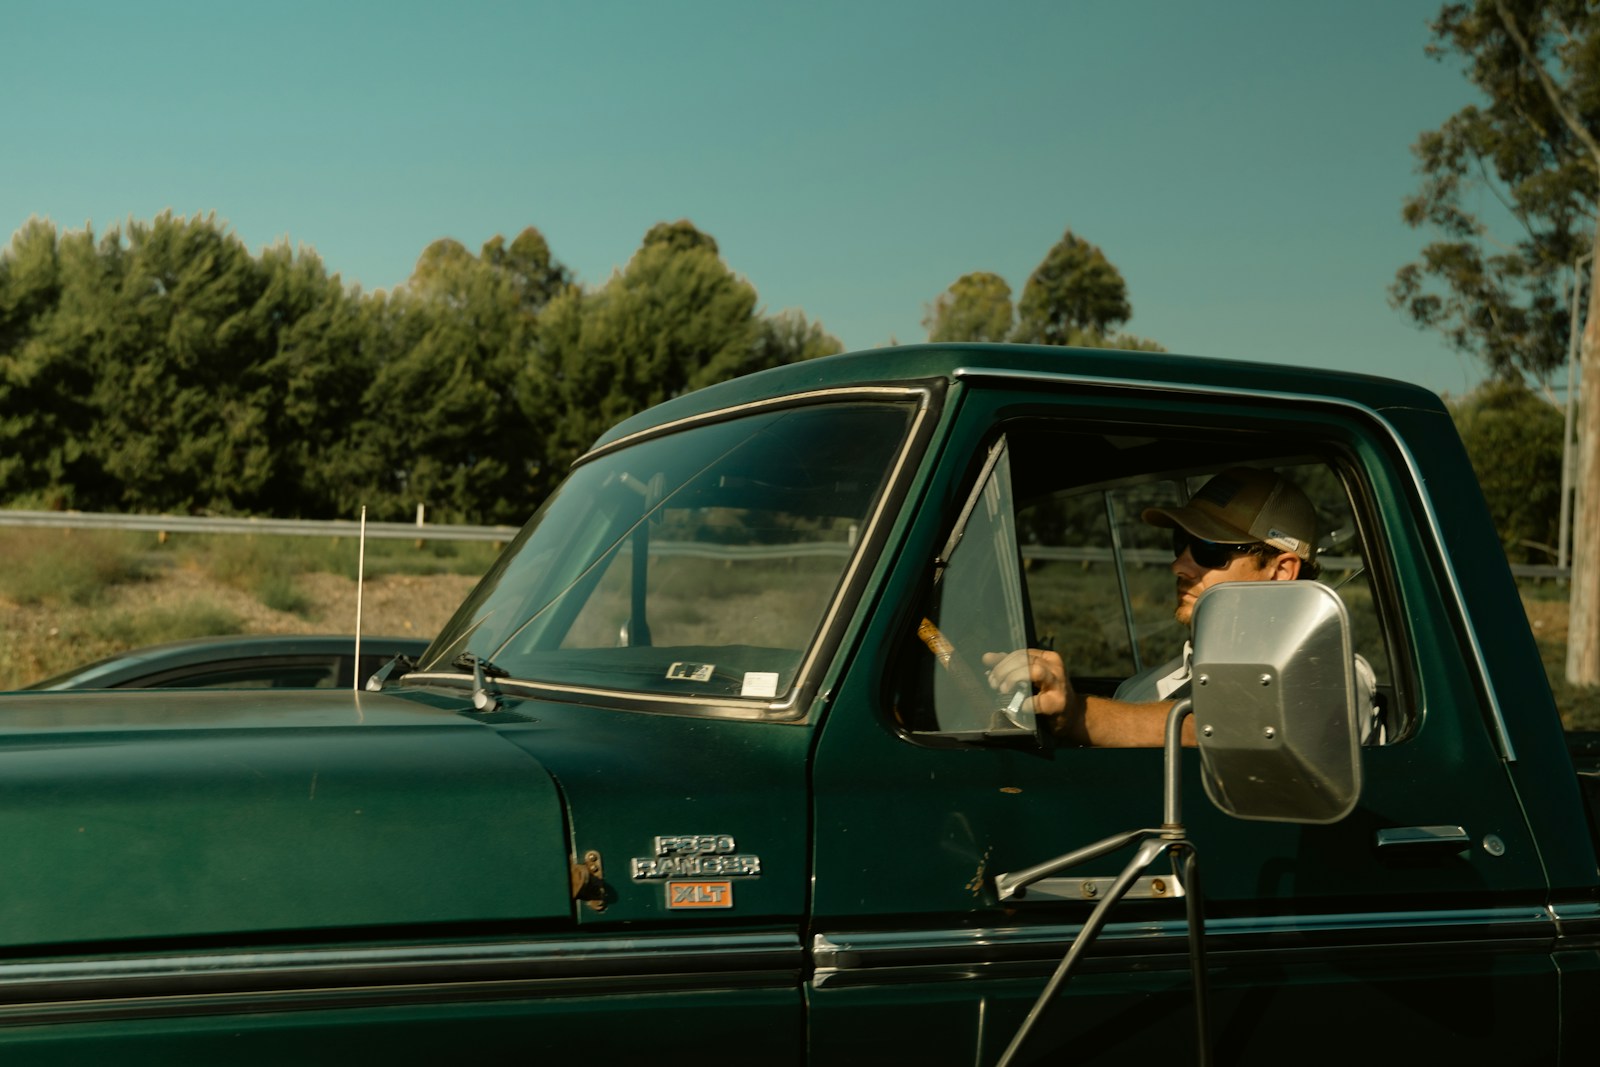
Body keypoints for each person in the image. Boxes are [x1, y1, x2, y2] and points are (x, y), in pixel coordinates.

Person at [984, 466, 1379, 747]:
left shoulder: (1334, 677)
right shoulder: (1141, 689)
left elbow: (1233, 727)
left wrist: (1077, 716)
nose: (1179, 565)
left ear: (1280, 572)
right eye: (1179, 544)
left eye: (1208, 550)